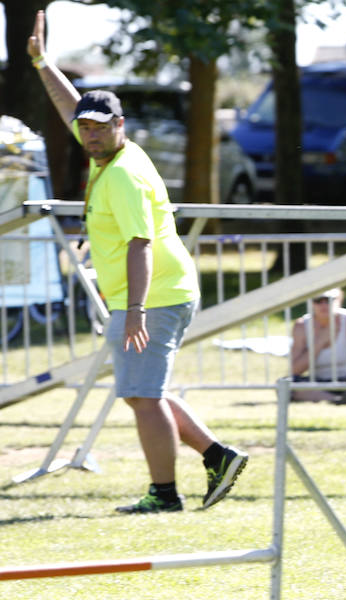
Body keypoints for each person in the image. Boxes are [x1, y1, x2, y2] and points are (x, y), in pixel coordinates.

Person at [28, 11, 248, 514]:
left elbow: (139, 245)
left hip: (151, 297)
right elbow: (71, 106)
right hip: (159, 293)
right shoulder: (109, 153)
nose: (90, 135)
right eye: (85, 128)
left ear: (120, 126)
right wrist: (43, 63)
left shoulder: (122, 174)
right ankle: (219, 456)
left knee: (142, 397)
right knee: (146, 390)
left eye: (100, 128)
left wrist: (136, 311)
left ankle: (164, 496)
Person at [290, 288, 346, 404]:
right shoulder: (301, 325)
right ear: (311, 302)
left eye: (328, 300)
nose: (323, 305)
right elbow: (295, 370)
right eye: (318, 300)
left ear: (339, 300)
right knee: (286, 384)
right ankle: (337, 399)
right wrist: (320, 342)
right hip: (318, 383)